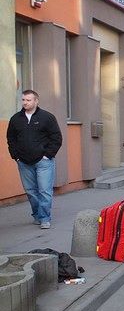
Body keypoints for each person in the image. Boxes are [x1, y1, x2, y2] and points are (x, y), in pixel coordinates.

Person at [6, 90, 62, 230]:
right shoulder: (15, 119)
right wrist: (16, 156)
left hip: (43, 162)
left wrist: (47, 155)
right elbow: (11, 139)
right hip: (24, 162)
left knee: (44, 190)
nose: (25, 102)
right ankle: (37, 214)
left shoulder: (47, 117)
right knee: (31, 191)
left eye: (28, 100)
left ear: (36, 101)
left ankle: (44, 218)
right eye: (23, 100)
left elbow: (56, 138)